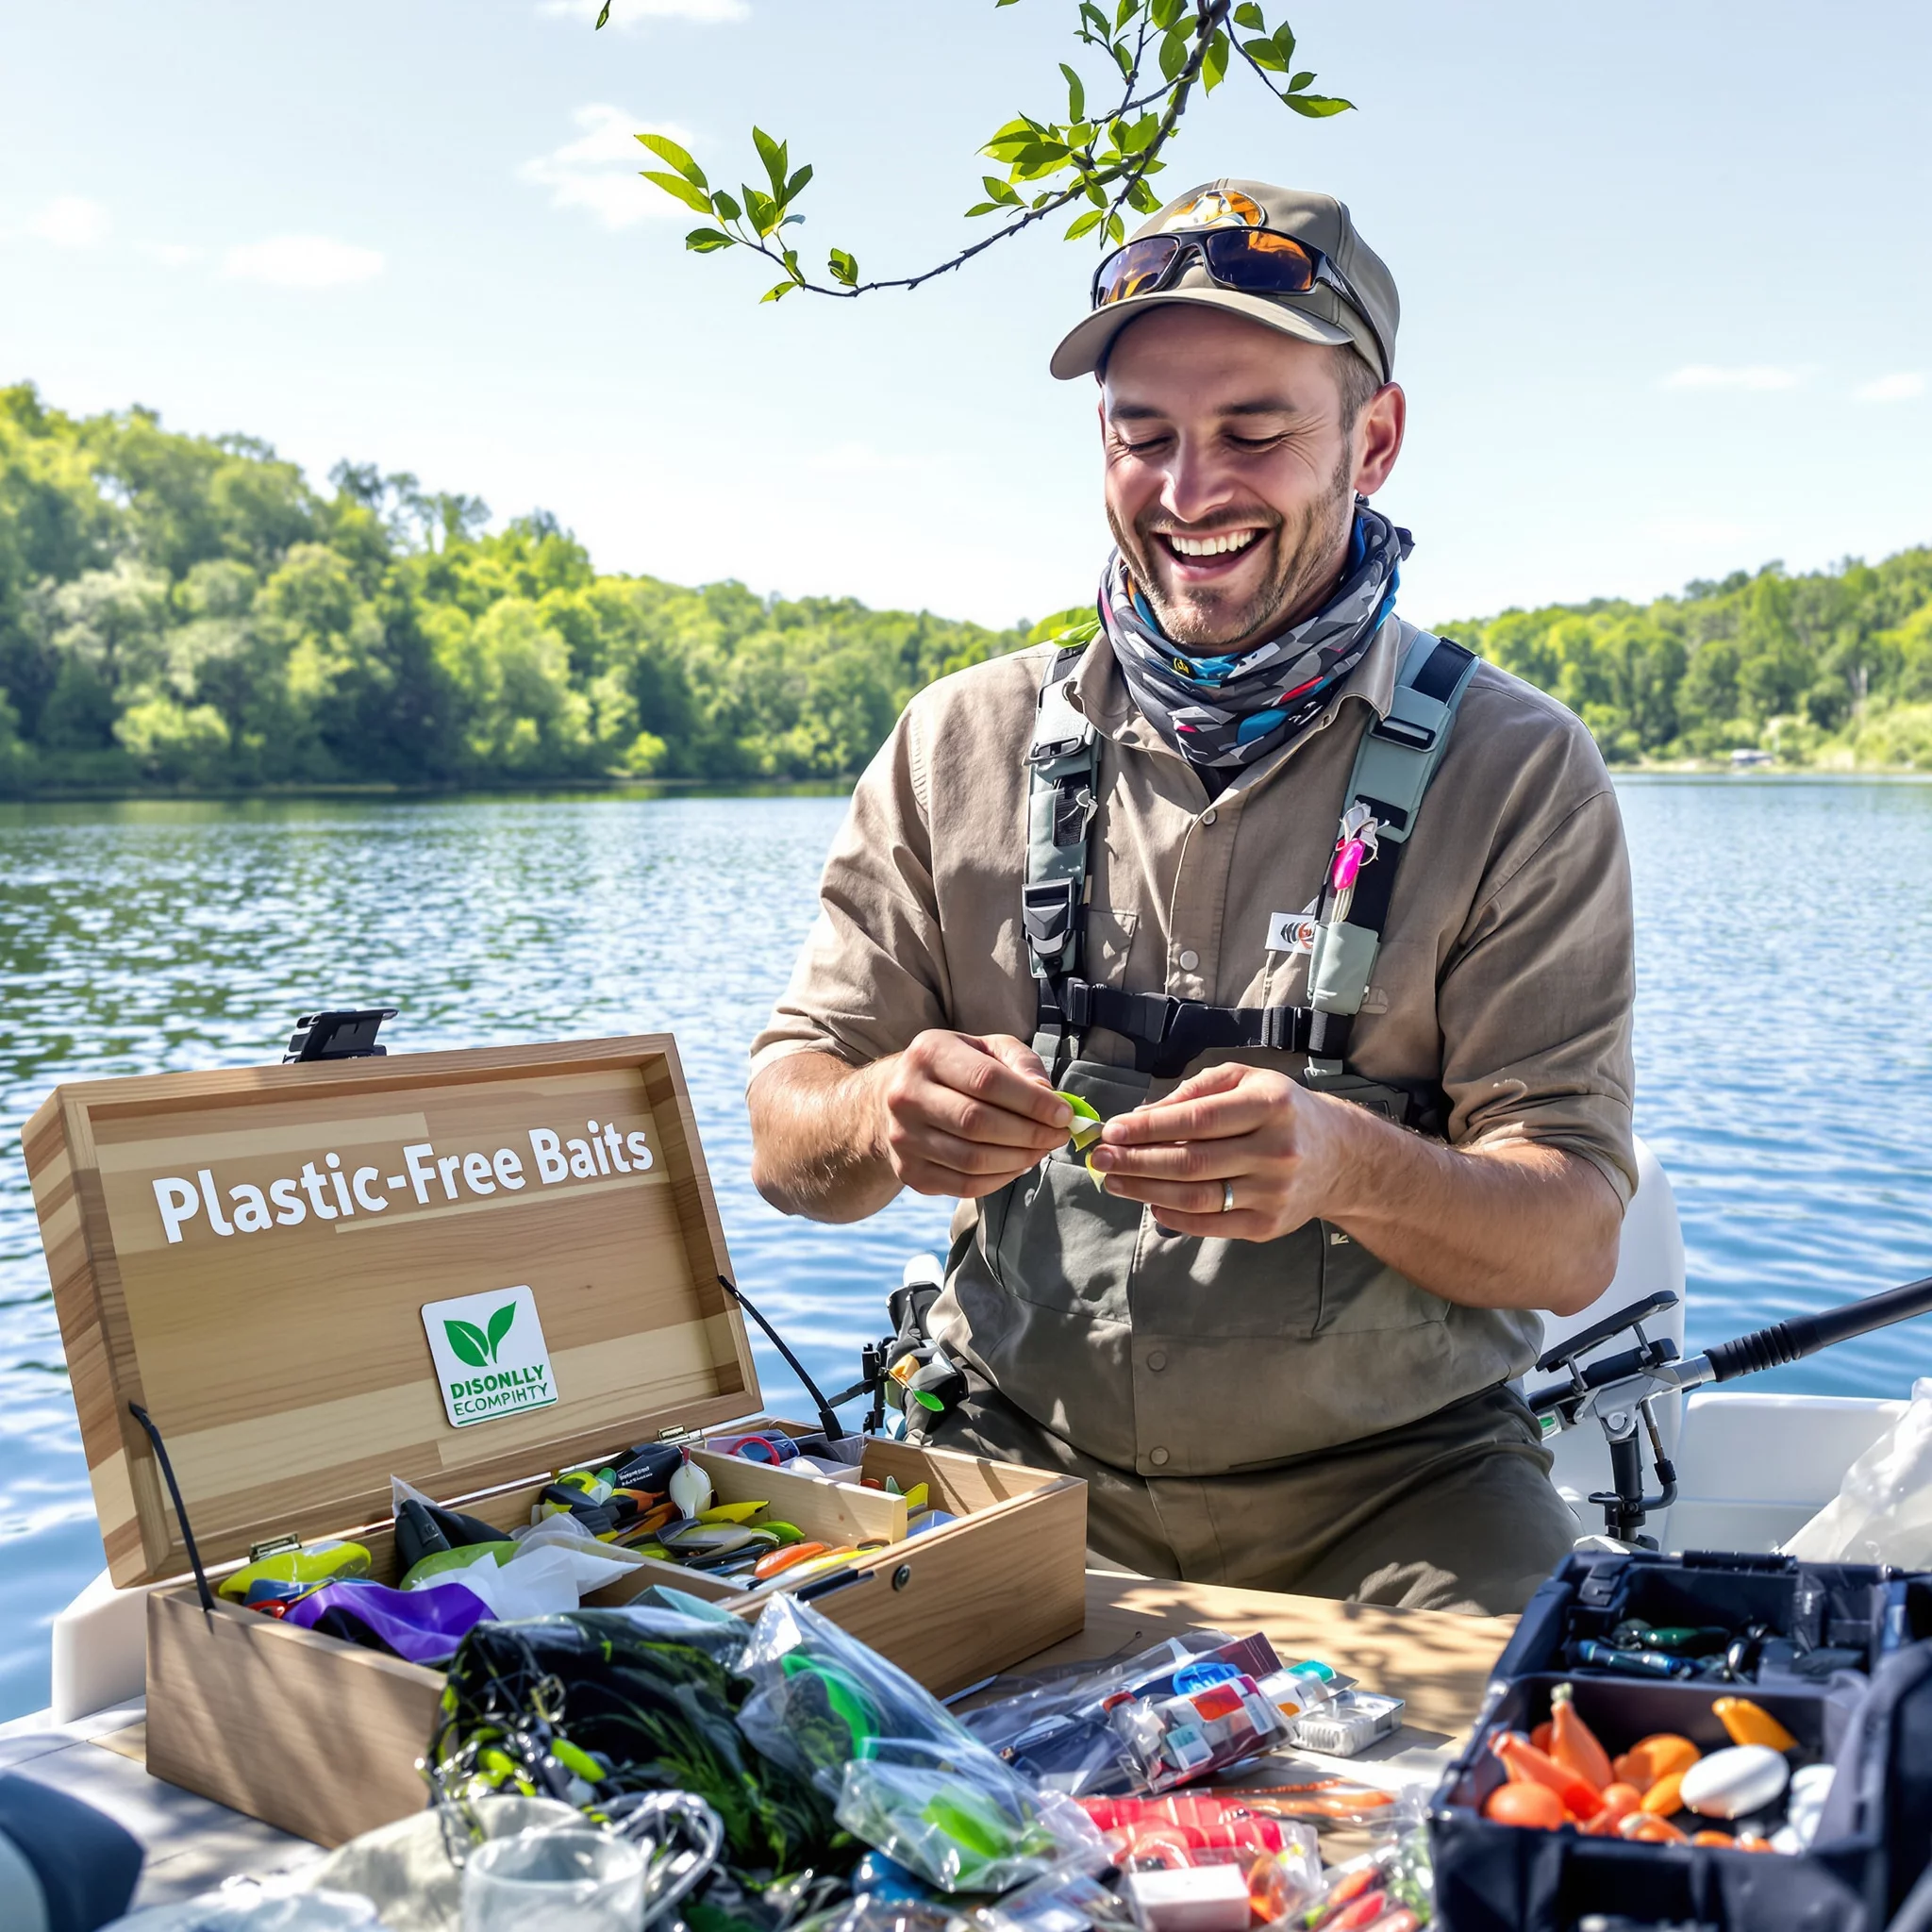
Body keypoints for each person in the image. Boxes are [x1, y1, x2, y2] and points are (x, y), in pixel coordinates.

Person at [747, 179, 1636, 1615]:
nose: (1189, 491)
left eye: (1254, 432)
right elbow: (788, 1135)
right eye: (1142, 436)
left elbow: (1575, 1234)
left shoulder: (1518, 771)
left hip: (1403, 1495)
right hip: (1011, 1468)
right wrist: (877, 1111)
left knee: (1504, 1803)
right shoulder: (954, 742)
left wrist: (1348, 1165)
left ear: (1377, 438)